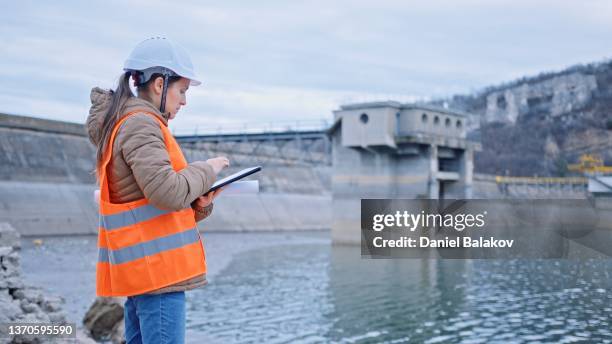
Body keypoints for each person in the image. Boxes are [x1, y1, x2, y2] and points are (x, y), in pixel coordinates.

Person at [86, 37, 228, 343]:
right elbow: (168, 193)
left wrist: (200, 204)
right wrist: (208, 168)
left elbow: (153, 212)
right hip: (159, 278)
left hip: (144, 275)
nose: (185, 101)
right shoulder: (141, 125)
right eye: (182, 91)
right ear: (160, 85)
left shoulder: (129, 123)